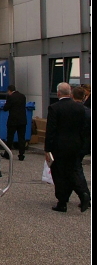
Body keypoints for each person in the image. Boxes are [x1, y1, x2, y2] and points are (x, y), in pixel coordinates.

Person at [45, 82, 91, 212]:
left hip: (59, 146)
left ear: (58, 93)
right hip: (75, 145)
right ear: (70, 93)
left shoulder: (54, 108)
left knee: (59, 174)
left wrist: (47, 149)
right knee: (72, 171)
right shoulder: (80, 108)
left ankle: (62, 201)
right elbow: (84, 128)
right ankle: (83, 193)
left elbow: (51, 130)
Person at [4, 83, 27, 160]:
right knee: (21, 138)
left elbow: (6, 108)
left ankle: (7, 153)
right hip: (22, 120)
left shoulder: (10, 97)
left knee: (10, 137)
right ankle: (21, 155)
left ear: (9, 90)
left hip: (13, 120)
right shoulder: (23, 96)